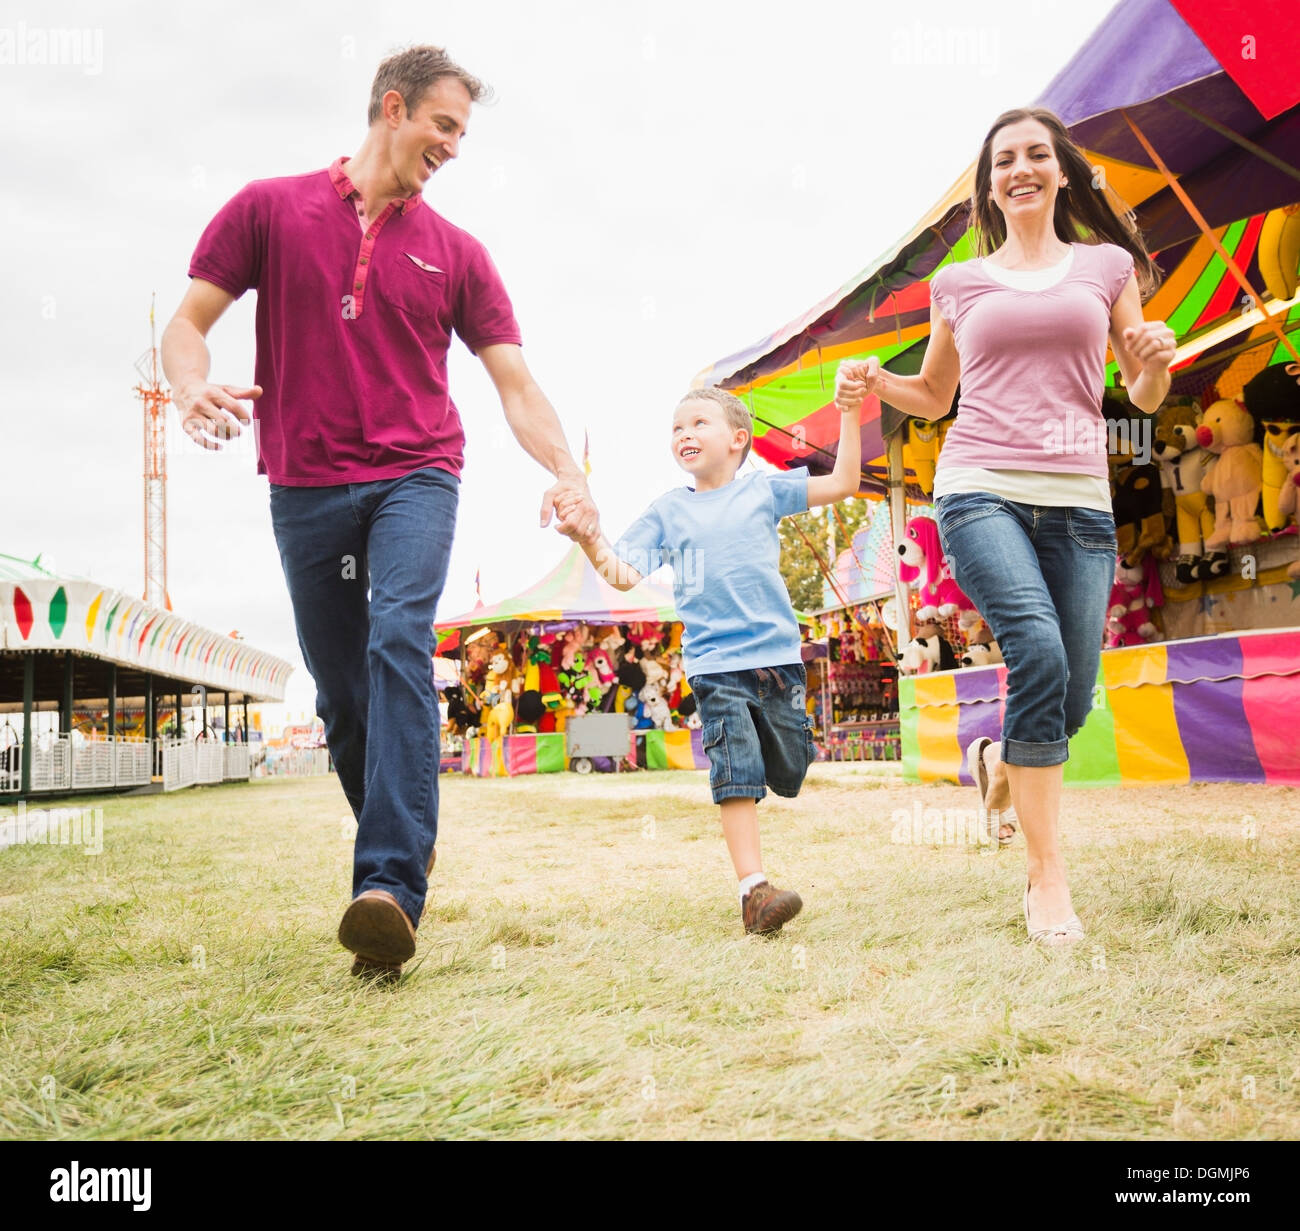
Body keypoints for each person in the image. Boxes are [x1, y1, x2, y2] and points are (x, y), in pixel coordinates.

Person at [161, 46, 595, 982]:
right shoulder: (269, 209)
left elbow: (515, 385)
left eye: (463, 135)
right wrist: (190, 388)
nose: (453, 147)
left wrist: (570, 473)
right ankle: (395, 871)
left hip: (416, 474)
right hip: (304, 486)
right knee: (343, 695)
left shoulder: (459, 253)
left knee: (398, 634)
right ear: (391, 108)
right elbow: (187, 325)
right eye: (444, 126)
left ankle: (392, 885)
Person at [858, 107, 1176, 945]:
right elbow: (934, 394)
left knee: (1069, 700)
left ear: (1062, 172)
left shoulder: (1107, 266)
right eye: (1005, 160)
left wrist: (1149, 368)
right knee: (1034, 651)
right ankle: (1047, 881)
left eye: (1038, 154)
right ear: (989, 183)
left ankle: (1000, 760)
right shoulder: (959, 285)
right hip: (979, 487)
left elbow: (1142, 397)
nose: (1022, 169)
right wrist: (876, 381)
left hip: (1079, 499)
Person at [558, 384, 864, 933]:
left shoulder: (764, 492)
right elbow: (623, 574)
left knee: (792, 768)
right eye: (677, 428)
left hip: (777, 661)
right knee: (736, 772)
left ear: (738, 439)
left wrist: (847, 412)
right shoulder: (669, 511)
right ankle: (754, 891)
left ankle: (773, 763)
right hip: (714, 664)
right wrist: (588, 538)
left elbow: (843, 482)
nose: (685, 434)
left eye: (699, 423)